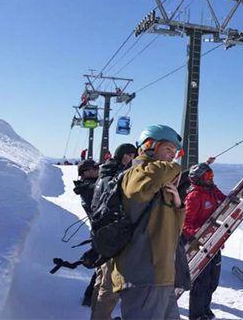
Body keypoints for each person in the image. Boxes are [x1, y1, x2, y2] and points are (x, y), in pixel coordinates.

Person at [111, 125, 184, 320]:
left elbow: (174, 230)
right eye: (168, 149)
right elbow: (143, 184)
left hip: (160, 276)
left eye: (175, 152)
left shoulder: (157, 182)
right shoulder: (137, 173)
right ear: (150, 146)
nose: (173, 156)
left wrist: (178, 205)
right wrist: (175, 168)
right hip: (144, 274)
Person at [90, 143, 137, 320]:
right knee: (110, 287)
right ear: (126, 157)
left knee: (101, 280)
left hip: (101, 234)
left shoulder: (105, 174)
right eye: (133, 156)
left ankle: (96, 315)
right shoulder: (119, 176)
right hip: (113, 236)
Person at [182, 158, 225, 320]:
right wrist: (199, 236)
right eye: (208, 175)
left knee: (213, 280)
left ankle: (206, 309)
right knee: (202, 282)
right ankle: (197, 315)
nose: (211, 177)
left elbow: (224, 200)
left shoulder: (212, 190)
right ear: (199, 178)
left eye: (211, 173)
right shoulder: (194, 196)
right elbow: (185, 223)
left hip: (214, 243)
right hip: (199, 245)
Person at [73, 159, 100, 307]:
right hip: (101, 233)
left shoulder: (87, 185)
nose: (98, 170)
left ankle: (90, 296)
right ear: (86, 172)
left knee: (103, 266)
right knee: (103, 266)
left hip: (100, 232)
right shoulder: (88, 187)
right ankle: (90, 296)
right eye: (94, 168)